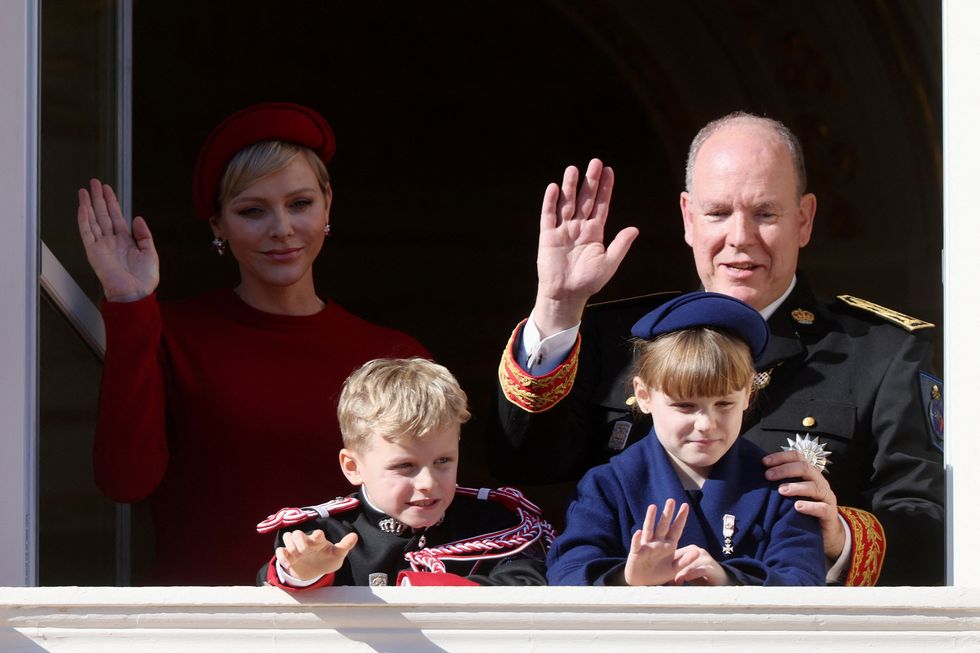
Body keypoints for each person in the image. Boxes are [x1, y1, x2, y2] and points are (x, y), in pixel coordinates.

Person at [490, 111, 944, 586]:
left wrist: (838, 534)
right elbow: (522, 463)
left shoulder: (881, 353)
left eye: (765, 213)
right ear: (688, 217)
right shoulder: (617, 337)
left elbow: (931, 528)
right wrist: (558, 307)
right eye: (718, 213)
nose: (740, 238)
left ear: (804, 220)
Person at [77, 102, 429, 585]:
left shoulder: (393, 356)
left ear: (328, 202)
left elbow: (429, 512)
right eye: (252, 211)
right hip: (208, 623)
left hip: (356, 625)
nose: (281, 228)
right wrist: (130, 304)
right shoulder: (175, 336)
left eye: (300, 204)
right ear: (217, 225)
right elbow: (124, 480)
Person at [547, 292, 824, 587]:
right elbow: (567, 572)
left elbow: (805, 582)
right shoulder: (609, 484)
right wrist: (627, 579)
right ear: (644, 396)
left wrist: (729, 580)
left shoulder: (778, 489)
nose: (706, 424)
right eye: (685, 406)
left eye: (724, 404)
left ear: (747, 393)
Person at [256, 358, 551, 589]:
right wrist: (303, 573)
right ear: (353, 467)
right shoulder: (326, 534)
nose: (428, 483)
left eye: (443, 461)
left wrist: (422, 590)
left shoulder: (494, 525)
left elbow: (528, 587)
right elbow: (273, 592)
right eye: (404, 466)